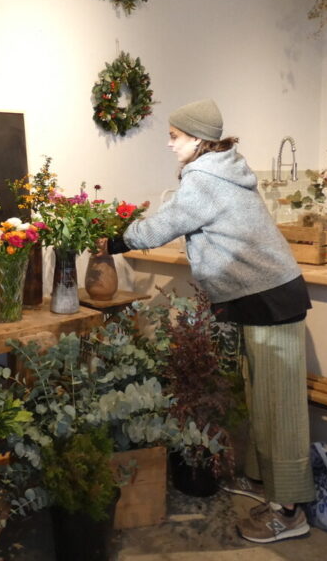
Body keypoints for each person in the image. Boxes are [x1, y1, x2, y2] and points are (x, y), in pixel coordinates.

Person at [109, 99, 316, 543]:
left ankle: (290, 513)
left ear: (199, 139)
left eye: (175, 136)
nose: (168, 144)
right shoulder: (224, 167)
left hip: (269, 299)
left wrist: (117, 236)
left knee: (278, 409)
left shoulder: (204, 177)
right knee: (262, 399)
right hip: (265, 296)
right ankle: (268, 490)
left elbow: (166, 224)